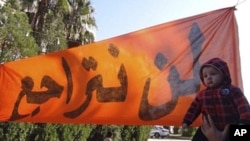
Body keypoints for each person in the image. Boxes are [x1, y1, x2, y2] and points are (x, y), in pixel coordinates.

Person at [182, 57, 250, 141]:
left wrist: (244, 121)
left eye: (213, 74)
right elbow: (193, 108)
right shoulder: (202, 95)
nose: (208, 77)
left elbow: (243, 106)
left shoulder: (232, 90)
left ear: (224, 75)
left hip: (231, 125)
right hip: (208, 128)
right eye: (205, 76)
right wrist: (187, 121)